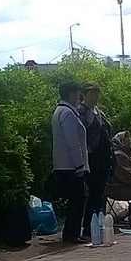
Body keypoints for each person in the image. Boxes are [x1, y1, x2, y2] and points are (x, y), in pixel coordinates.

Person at [51, 81, 90, 244]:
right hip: (71, 166)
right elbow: (73, 142)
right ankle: (71, 233)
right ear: (70, 94)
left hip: (64, 164)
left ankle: (71, 232)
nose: (79, 96)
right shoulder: (67, 113)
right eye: (76, 93)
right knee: (78, 200)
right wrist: (80, 165)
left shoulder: (61, 111)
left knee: (76, 200)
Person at [78, 83, 114, 239]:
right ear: (84, 95)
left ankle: (100, 225)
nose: (95, 97)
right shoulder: (81, 111)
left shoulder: (99, 111)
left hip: (104, 158)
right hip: (92, 158)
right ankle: (88, 227)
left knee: (100, 194)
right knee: (92, 194)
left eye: (97, 94)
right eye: (92, 94)